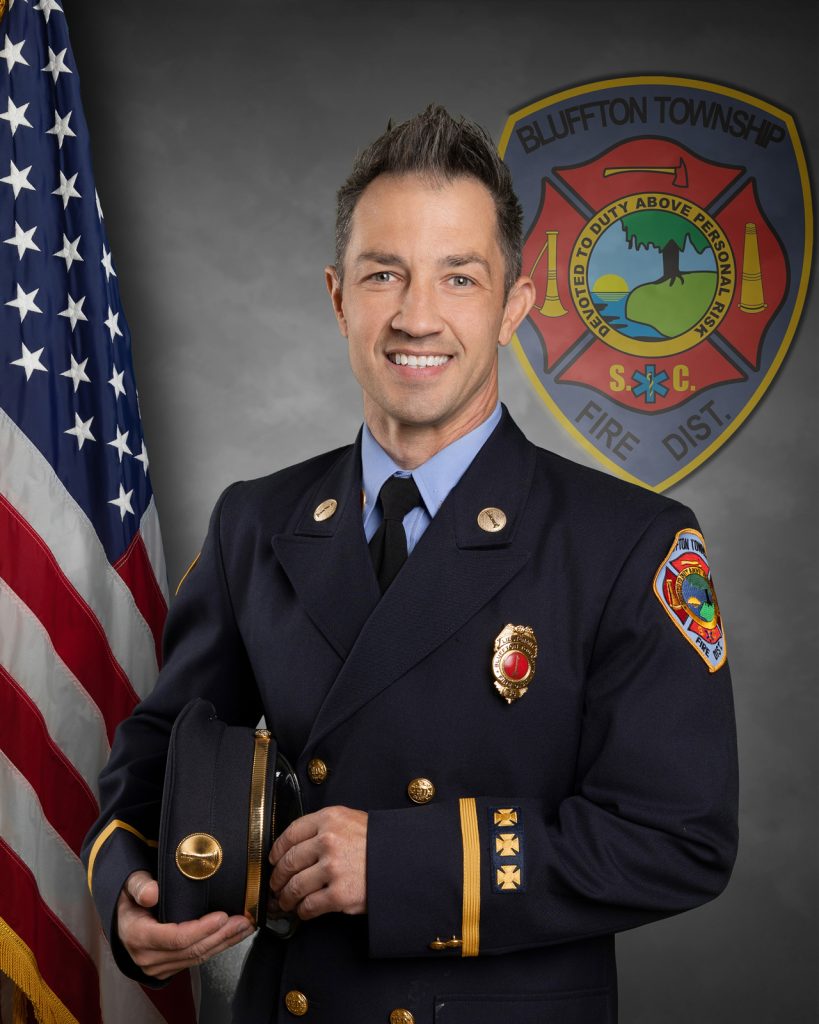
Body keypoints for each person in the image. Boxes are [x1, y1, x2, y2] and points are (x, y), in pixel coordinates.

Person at [82, 105, 738, 1024]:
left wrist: (401, 865)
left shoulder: (628, 543)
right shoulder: (256, 522)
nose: (416, 316)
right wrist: (128, 892)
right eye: (383, 273)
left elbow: (677, 839)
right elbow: (164, 749)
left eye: (458, 278)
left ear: (514, 305)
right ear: (338, 296)